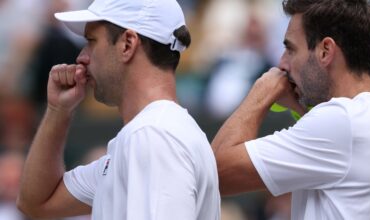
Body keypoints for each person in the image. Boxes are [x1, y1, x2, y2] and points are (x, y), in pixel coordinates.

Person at [17, 0, 221, 219]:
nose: (81, 57)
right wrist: (58, 110)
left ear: (127, 44)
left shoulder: (153, 135)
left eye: (91, 41)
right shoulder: (153, 132)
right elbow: (37, 203)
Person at [212, 0, 370, 219]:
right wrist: (303, 108)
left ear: (325, 51)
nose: (282, 63)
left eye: (290, 49)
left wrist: (262, 92)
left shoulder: (341, 120)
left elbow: (214, 175)